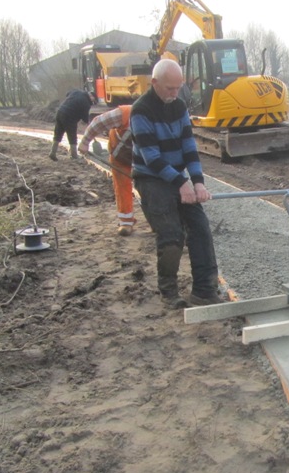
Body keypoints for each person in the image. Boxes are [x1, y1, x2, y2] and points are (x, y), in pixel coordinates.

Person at [130, 58, 223, 308]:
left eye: (178, 87)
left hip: (176, 175)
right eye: (170, 88)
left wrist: (198, 183)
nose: (175, 93)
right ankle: (169, 292)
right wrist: (181, 183)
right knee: (171, 234)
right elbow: (151, 157)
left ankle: (204, 291)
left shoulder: (179, 106)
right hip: (151, 177)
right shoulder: (141, 110)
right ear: (155, 83)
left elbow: (189, 147)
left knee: (200, 228)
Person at [78, 106, 137, 236]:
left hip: (144, 157)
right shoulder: (124, 114)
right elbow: (98, 123)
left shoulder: (159, 119)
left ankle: (156, 220)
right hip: (120, 155)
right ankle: (126, 222)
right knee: (122, 186)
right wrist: (85, 142)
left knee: (149, 187)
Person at [50, 89, 94, 161]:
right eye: (93, 100)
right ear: (91, 96)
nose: (92, 102)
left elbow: (68, 93)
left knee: (58, 134)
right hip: (69, 117)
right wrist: (88, 123)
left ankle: (52, 152)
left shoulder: (76, 91)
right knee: (72, 136)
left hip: (60, 112)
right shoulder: (86, 103)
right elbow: (85, 119)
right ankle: (74, 155)